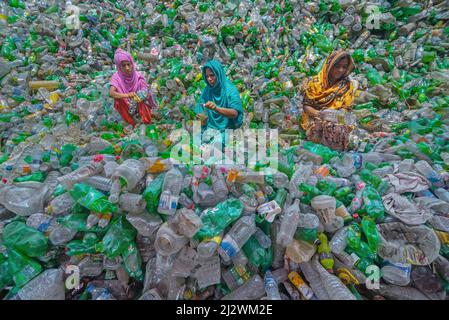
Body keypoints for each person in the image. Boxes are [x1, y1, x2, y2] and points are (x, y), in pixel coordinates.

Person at [301, 50, 357, 151]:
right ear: (329, 65)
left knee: (338, 130)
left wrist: (336, 117)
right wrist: (319, 114)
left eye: (344, 67)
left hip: (336, 117)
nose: (340, 70)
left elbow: (346, 108)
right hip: (316, 115)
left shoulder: (346, 85)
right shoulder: (315, 82)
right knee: (316, 131)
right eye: (337, 66)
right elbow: (306, 106)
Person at [109, 48, 157, 126]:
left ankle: (146, 122)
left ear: (132, 64)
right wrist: (127, 95)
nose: (127, 68)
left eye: (129, 64)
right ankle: (131, 123)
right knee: (118, 101)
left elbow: (147, 94)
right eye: (123, 66)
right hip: (126, 105)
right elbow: (111, 93)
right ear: (119, 67)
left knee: (142, 99)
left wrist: (143, 95)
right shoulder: (117, 77)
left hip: (137, 105)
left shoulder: (138, 77)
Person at [193, 60, 244, 131]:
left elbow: (234, 113)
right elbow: (201, 111)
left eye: (212, 75)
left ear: (218, 74)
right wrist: (202, 119)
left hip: (227, 128)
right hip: (210, 128)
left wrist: (216, 108)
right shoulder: (207, 90)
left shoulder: (230, 90)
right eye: (207, 76)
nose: (209, 79)